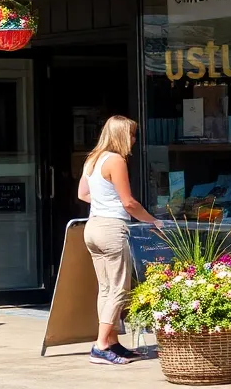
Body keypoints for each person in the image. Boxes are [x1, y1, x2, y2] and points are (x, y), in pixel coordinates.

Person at [78, 115, 161, 366]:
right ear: (121, 135)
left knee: (106, 289)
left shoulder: (93, 158)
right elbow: (129, 203)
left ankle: (112, 342)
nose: (134, 139)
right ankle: (101, 345)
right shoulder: (116, 160)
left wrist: (104, 202)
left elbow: (83, 194)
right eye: (132, 134)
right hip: (112, 228)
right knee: (119, 289)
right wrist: (153, 221)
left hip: (93, 227)